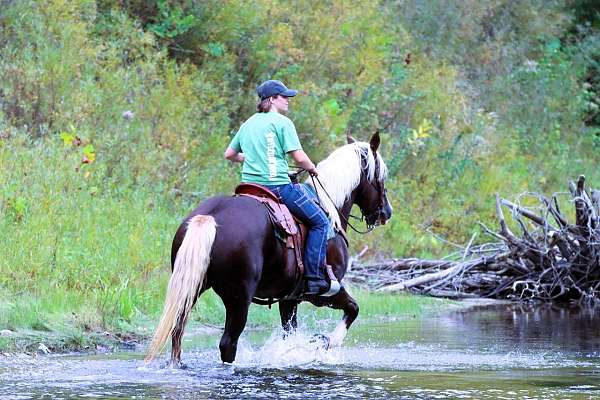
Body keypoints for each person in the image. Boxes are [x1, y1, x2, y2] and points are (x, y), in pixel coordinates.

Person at [224, 79, 331, 295]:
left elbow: (230, 154)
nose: (288, 100)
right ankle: (314, 278)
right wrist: (312, 168)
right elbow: (299, 157)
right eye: (284, 97)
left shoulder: (248, 124)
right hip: (278, 188)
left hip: (248, 189)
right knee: (321, 222)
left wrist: (254, 157)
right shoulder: (282, 123)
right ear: (272, 99)